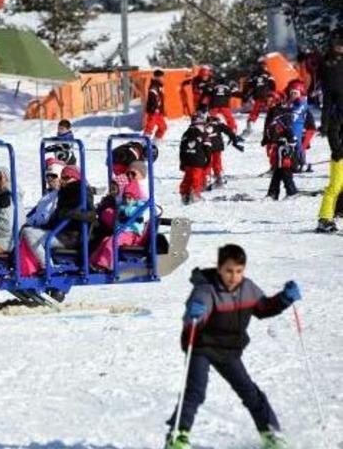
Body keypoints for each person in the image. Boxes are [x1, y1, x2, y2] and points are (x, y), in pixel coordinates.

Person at [164, 244, 300, 449]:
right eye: (228, 270)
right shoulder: (205, 290)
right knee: (195, 391)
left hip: (229, 350)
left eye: (238, 271)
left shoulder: (248, 288)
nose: (233, 276)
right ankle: (178, 435)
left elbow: (264, 308)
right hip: (202, 346)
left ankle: (270, 433)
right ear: (219, 269)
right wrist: (196, 315)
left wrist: (284, 298)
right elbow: (191, 321)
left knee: (250, 392)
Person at [89, 179, 146, 272]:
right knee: (105, 241)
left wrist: (123, 213)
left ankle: (105, 264)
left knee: (112, 241)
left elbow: (132, 213)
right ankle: (92, 262)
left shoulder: (138, 207)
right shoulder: (121, 206)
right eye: (125, 198)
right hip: (121, 232)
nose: (127, 201)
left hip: (131, 234)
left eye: (130, 198)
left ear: (135, 199)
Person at [317, 34, 343, 233]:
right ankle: (324, 219)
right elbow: (334, 132)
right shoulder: (338, 114)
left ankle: (336, 212)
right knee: (335, 186)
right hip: (340, 155)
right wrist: (337, 149)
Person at [20, 161, 63, 270]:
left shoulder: (59, 196)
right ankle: (26, 266)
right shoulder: (48, 195)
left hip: (54, 231)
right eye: (47, 177)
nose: (49, 180)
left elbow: (45, 217)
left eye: (53, 176)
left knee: (27, 233)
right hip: (43, 227)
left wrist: (29, 223)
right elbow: (37, 213)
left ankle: (47, 265)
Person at [261, 112, 298, 200]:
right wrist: (267, 140)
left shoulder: (287, 128)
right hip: (280, 153)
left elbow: (293, 142)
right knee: (277, 173)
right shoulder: (277, 127)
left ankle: (291, 192)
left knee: (285, 173)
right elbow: (271, 136)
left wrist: (288, 153)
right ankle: (273, 193)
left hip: (286, 154)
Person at [202, 113, 244, 189]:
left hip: (207, 147)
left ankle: (206, 180)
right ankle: (219, 179)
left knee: (207, 163)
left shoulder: (201, 125)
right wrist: (234, 139)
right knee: (217, 163)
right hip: (218, 146)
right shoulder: (218, 123)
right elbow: (229, 131)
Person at [285, 79, 318, 170]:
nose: (293, 95)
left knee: (300, 145)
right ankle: (294, 161)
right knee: (293, 143)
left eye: (295, 93)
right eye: (291, 93)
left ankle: (301, 163)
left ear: (300, 93)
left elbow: (296, 113)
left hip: (308, 128)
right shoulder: (291, 102)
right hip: (300, 127)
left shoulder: (301, 103)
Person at [179, 118, 212, 205]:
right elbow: (207, 147)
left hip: (187, 160)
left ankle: (184, 193)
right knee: (197, 177)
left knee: (188, 177)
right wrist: (208, 159)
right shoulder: (203, 134)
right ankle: (195, 194)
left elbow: (181, 149)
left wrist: (182, 162)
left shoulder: (185, 134)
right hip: (198, 160)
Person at [245, 59, 277, 135]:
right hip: (267, 94)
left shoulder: (254, 74)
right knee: (271, 110)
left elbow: (250, 84)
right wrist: (272, 93)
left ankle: (251, 122)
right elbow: (273, 84)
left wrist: (250, 93)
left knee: (256, 109)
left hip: (257, 94)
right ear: (265, 66)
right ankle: (272, 125)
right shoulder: (268, 74)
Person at [144, 69, 168, 141]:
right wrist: (154, 108)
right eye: (162, 77)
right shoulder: (154, 87)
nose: (163, 78)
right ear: (157, 77)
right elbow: (153, 98)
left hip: (159, 112)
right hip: (154, 111)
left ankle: (156, 141)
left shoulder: (159, 86)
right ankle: (144, 142)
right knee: (149, 127)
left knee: (163, 127)